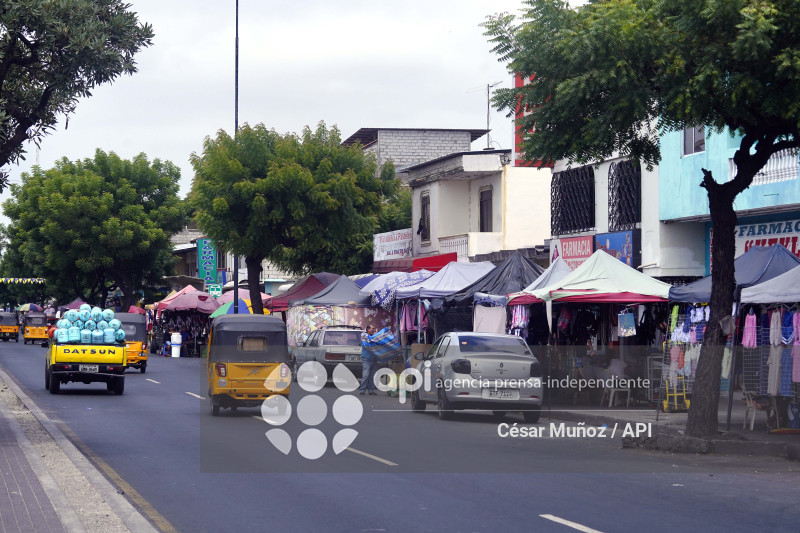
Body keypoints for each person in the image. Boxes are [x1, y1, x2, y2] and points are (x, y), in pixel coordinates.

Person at [359, 325, 378, 395]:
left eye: (374, 328)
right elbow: (370, 341)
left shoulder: (375, 337)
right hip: (366, 359)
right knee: (366, 375)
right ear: (367, 329)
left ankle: (371, 390)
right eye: (372, 328)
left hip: (374, 359)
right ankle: (362, 389)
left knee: (373, 376)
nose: (374, 330)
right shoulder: (364, 335)